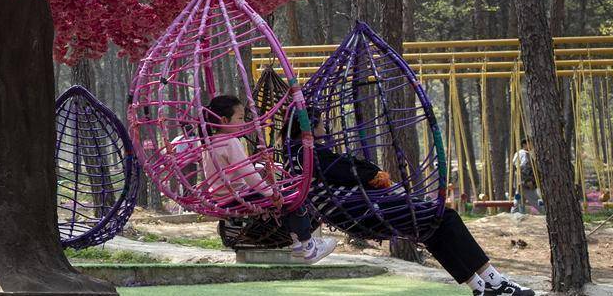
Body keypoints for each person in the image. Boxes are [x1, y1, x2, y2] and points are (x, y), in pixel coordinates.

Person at [291, 111, 534, 296]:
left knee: (431, 230)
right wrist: (375, 174)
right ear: (309, 128)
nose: (325, 127)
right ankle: (495, 282)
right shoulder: (310, 154)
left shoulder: (299, 156)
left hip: (360, 211)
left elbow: (347, 171)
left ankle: (481, 287)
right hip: (366, 212)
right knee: (445, 217)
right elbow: (353, 171)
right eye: (321, 123)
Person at [202, 94, 336, 263]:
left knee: (283, 200)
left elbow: (231, 171)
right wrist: (269, 192)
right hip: (238, 196)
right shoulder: (230, 142)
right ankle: (308, 245)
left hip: (222, 197)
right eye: (240, 118)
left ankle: (297, 245)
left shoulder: (208, 144)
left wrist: (262, 169)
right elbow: (247, 173)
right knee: (293, 198)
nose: (244, 123)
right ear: (223, 120)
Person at [511, 139, 542, 215]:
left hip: (519, 183)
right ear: (525, 145)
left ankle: (514, 214)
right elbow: (524, 167)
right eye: (530, 144)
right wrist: (528, 181)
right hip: (526, 184)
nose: (532, 146)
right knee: (536, 200)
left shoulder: (517, 153)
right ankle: (546, 212)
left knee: (518, 200)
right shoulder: (525, 154)